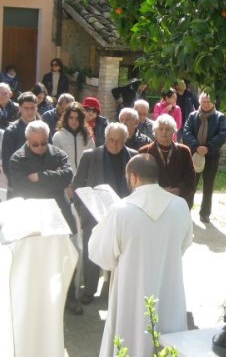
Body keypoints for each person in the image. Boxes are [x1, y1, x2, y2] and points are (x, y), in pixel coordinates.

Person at [88, 154, 193, 357]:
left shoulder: (120, 210)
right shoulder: (180, 206)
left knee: (129, 340)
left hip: (131, 294)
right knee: (167, 343)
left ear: (133, 177)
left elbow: (101, 255)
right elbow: (184, 244)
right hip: (169, 290)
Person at [8, 121, 81, 314]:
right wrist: (52, 180)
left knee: (65, 256)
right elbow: (22, 187)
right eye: (35, 144)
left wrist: (39, 176)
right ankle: (37, 299)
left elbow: (66, 177)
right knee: (35, 259)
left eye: (43, 143)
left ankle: (69, 297)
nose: (40, 147)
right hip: (32, 213)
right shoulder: (17, 158)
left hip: (58, 212)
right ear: (27, 140)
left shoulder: (58, 154)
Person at [72, 123, 137, 305]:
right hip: (95, 213)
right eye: (111, 140)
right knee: (92, 251)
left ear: (125, 140)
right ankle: (89, 290)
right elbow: (77, 184)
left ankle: (118, 290)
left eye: (119, 141)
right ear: (105, 138)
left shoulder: (133, 156)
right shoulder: (90, 156)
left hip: (125, 214)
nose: (115, 144)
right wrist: (83, 209)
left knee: (122, 253)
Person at [182, 92, 226, 223]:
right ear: (200, 102)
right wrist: (197, 146)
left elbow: (222, 135)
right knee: (191, 184)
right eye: (204, 102)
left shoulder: (220, 117)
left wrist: (208, 147)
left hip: (212, 156)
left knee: (208, 186)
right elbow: (186, 133)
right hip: (194, 154)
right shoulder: (192, 116)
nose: (206, 104)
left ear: (213, 102)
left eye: (209, 102)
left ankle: (205, 213)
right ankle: (186, 210)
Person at [138, 114, 196, 209]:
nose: (164, 132)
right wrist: (158, 191)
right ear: (155, 132)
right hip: (153, 202)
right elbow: (140, 180)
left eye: (168, 129)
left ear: (174, 132)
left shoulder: (184, 151)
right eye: (160, 129)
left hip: (177, 201)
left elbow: (190, 179)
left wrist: (178, 190)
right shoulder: (144, 152)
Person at [1, 92, 39, 178]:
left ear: (36, 107)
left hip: (41, 180)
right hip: (19, 181)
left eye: (32, 108)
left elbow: (51, 157)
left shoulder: (44, 129)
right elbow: (7, 163)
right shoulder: (11, 131)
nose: (30, 111)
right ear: (20, 108)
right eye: (26, 108)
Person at [52, 102, 95, 172]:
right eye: (71, 117)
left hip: (83, 176)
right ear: (66, 118)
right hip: (66, 176)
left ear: (81, 119)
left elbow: (93, 159)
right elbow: (55, 161)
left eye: (77, 118)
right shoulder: (58, 136)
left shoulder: (88, 136)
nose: (74, 121)